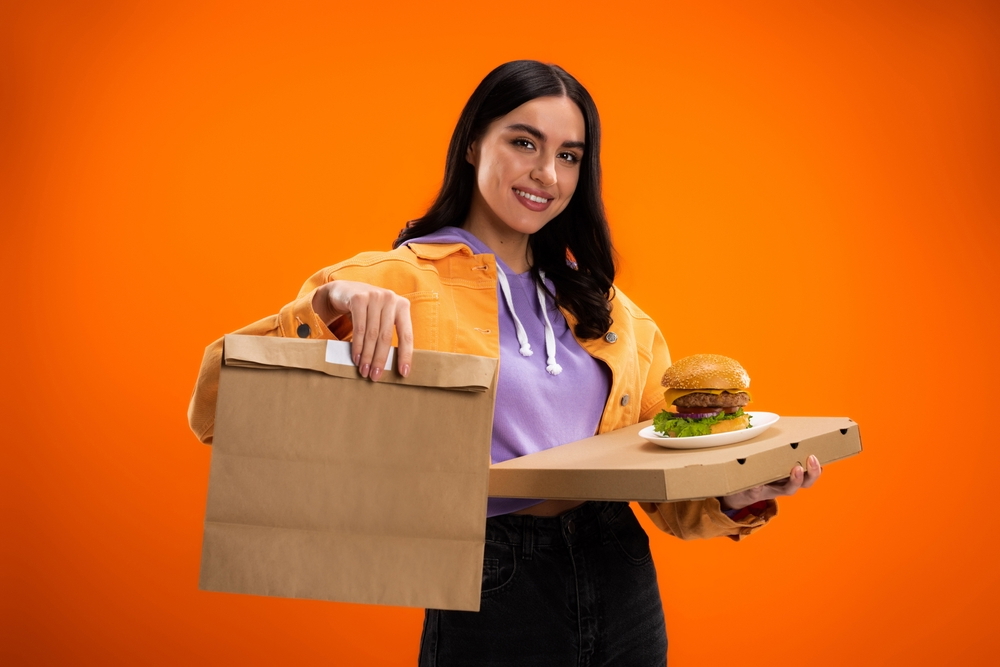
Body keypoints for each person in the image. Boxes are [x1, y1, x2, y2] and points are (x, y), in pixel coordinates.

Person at [188, 60, 822, 666]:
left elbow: (664, 481)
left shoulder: (607, 309)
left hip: (618, 569)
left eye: (568, 155)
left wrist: (744, 491)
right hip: (494, 579)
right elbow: (221, 413)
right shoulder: (390, 281)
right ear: (472, 145)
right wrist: (329, 303)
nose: (546, 172)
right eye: (524, 143)